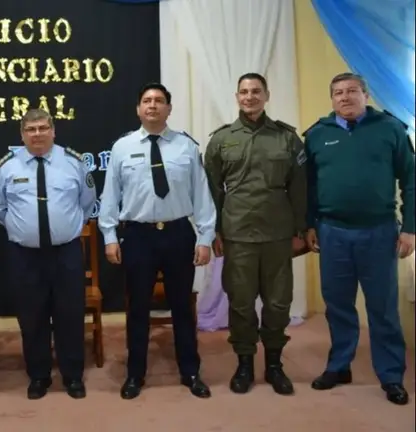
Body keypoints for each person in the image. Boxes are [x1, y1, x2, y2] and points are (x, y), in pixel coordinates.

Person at [303, 72, 414, 406]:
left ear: (366, 95)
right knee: (338, 305)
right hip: (332, 233)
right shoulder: (317, 134)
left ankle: (391, 376)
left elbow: (411, 181)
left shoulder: (390, 129)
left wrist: (410, 227)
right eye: (338, 92)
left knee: (382, 308)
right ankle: (339, 366)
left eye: (352, 91)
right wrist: (309, 225)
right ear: (332, 99)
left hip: (378, 231)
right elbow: (307, 186)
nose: (345, 97)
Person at [99, 83, 215, 400]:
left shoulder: (186, 147)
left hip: (178, 233)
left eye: (159, 100)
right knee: (138, 308)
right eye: (147, 100)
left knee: (182, 307)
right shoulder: (122, 148)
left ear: (169, 109)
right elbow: (110, 196)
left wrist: (205, 237)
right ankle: (135, 374)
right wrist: (109, 235)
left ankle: (191, 372)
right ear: (138, 109)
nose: (153, 105)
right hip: (138, 236)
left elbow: (201, 195)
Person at [203, 73, 307, 396]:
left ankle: (274, 365)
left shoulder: (287, 138)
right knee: (241, 302)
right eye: (244, 92)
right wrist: (214, 231)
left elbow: (300, 187)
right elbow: (211, 191)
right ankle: (244, 364)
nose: (250, 97)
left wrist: (301, 230)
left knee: (278, 303)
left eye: (256, 91)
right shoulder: (221, 140)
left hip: (277, 234)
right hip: (237, 234)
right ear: (237, 97)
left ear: (266, 95)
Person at [0, 108, 96, 400]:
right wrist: (22, 228)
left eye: (42, 128)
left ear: (53, 131)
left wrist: (67, 226)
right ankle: (38, 376)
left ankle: (73, 376)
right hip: (25, 256)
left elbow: (87, 203)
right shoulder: (7, 167)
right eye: (31, 129)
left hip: (66, 253)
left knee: (70, 315)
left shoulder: (73, 163)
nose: (37, 134)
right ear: (22, 134)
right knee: (31, 317)